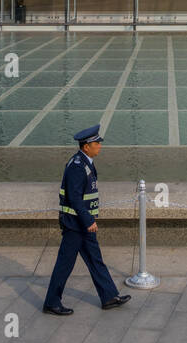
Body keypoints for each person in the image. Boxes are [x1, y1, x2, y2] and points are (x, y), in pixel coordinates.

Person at [42, 124, 131, 316]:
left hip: (82, 223)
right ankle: (51, 302)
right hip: (75, 225)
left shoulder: (85, 162)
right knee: (64, 264)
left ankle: (108, 296)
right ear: (86, 146)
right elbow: (74, 198)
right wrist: (89, 221)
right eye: (96, 143)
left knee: (95, 259)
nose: (100, 145)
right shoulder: (77, 166)